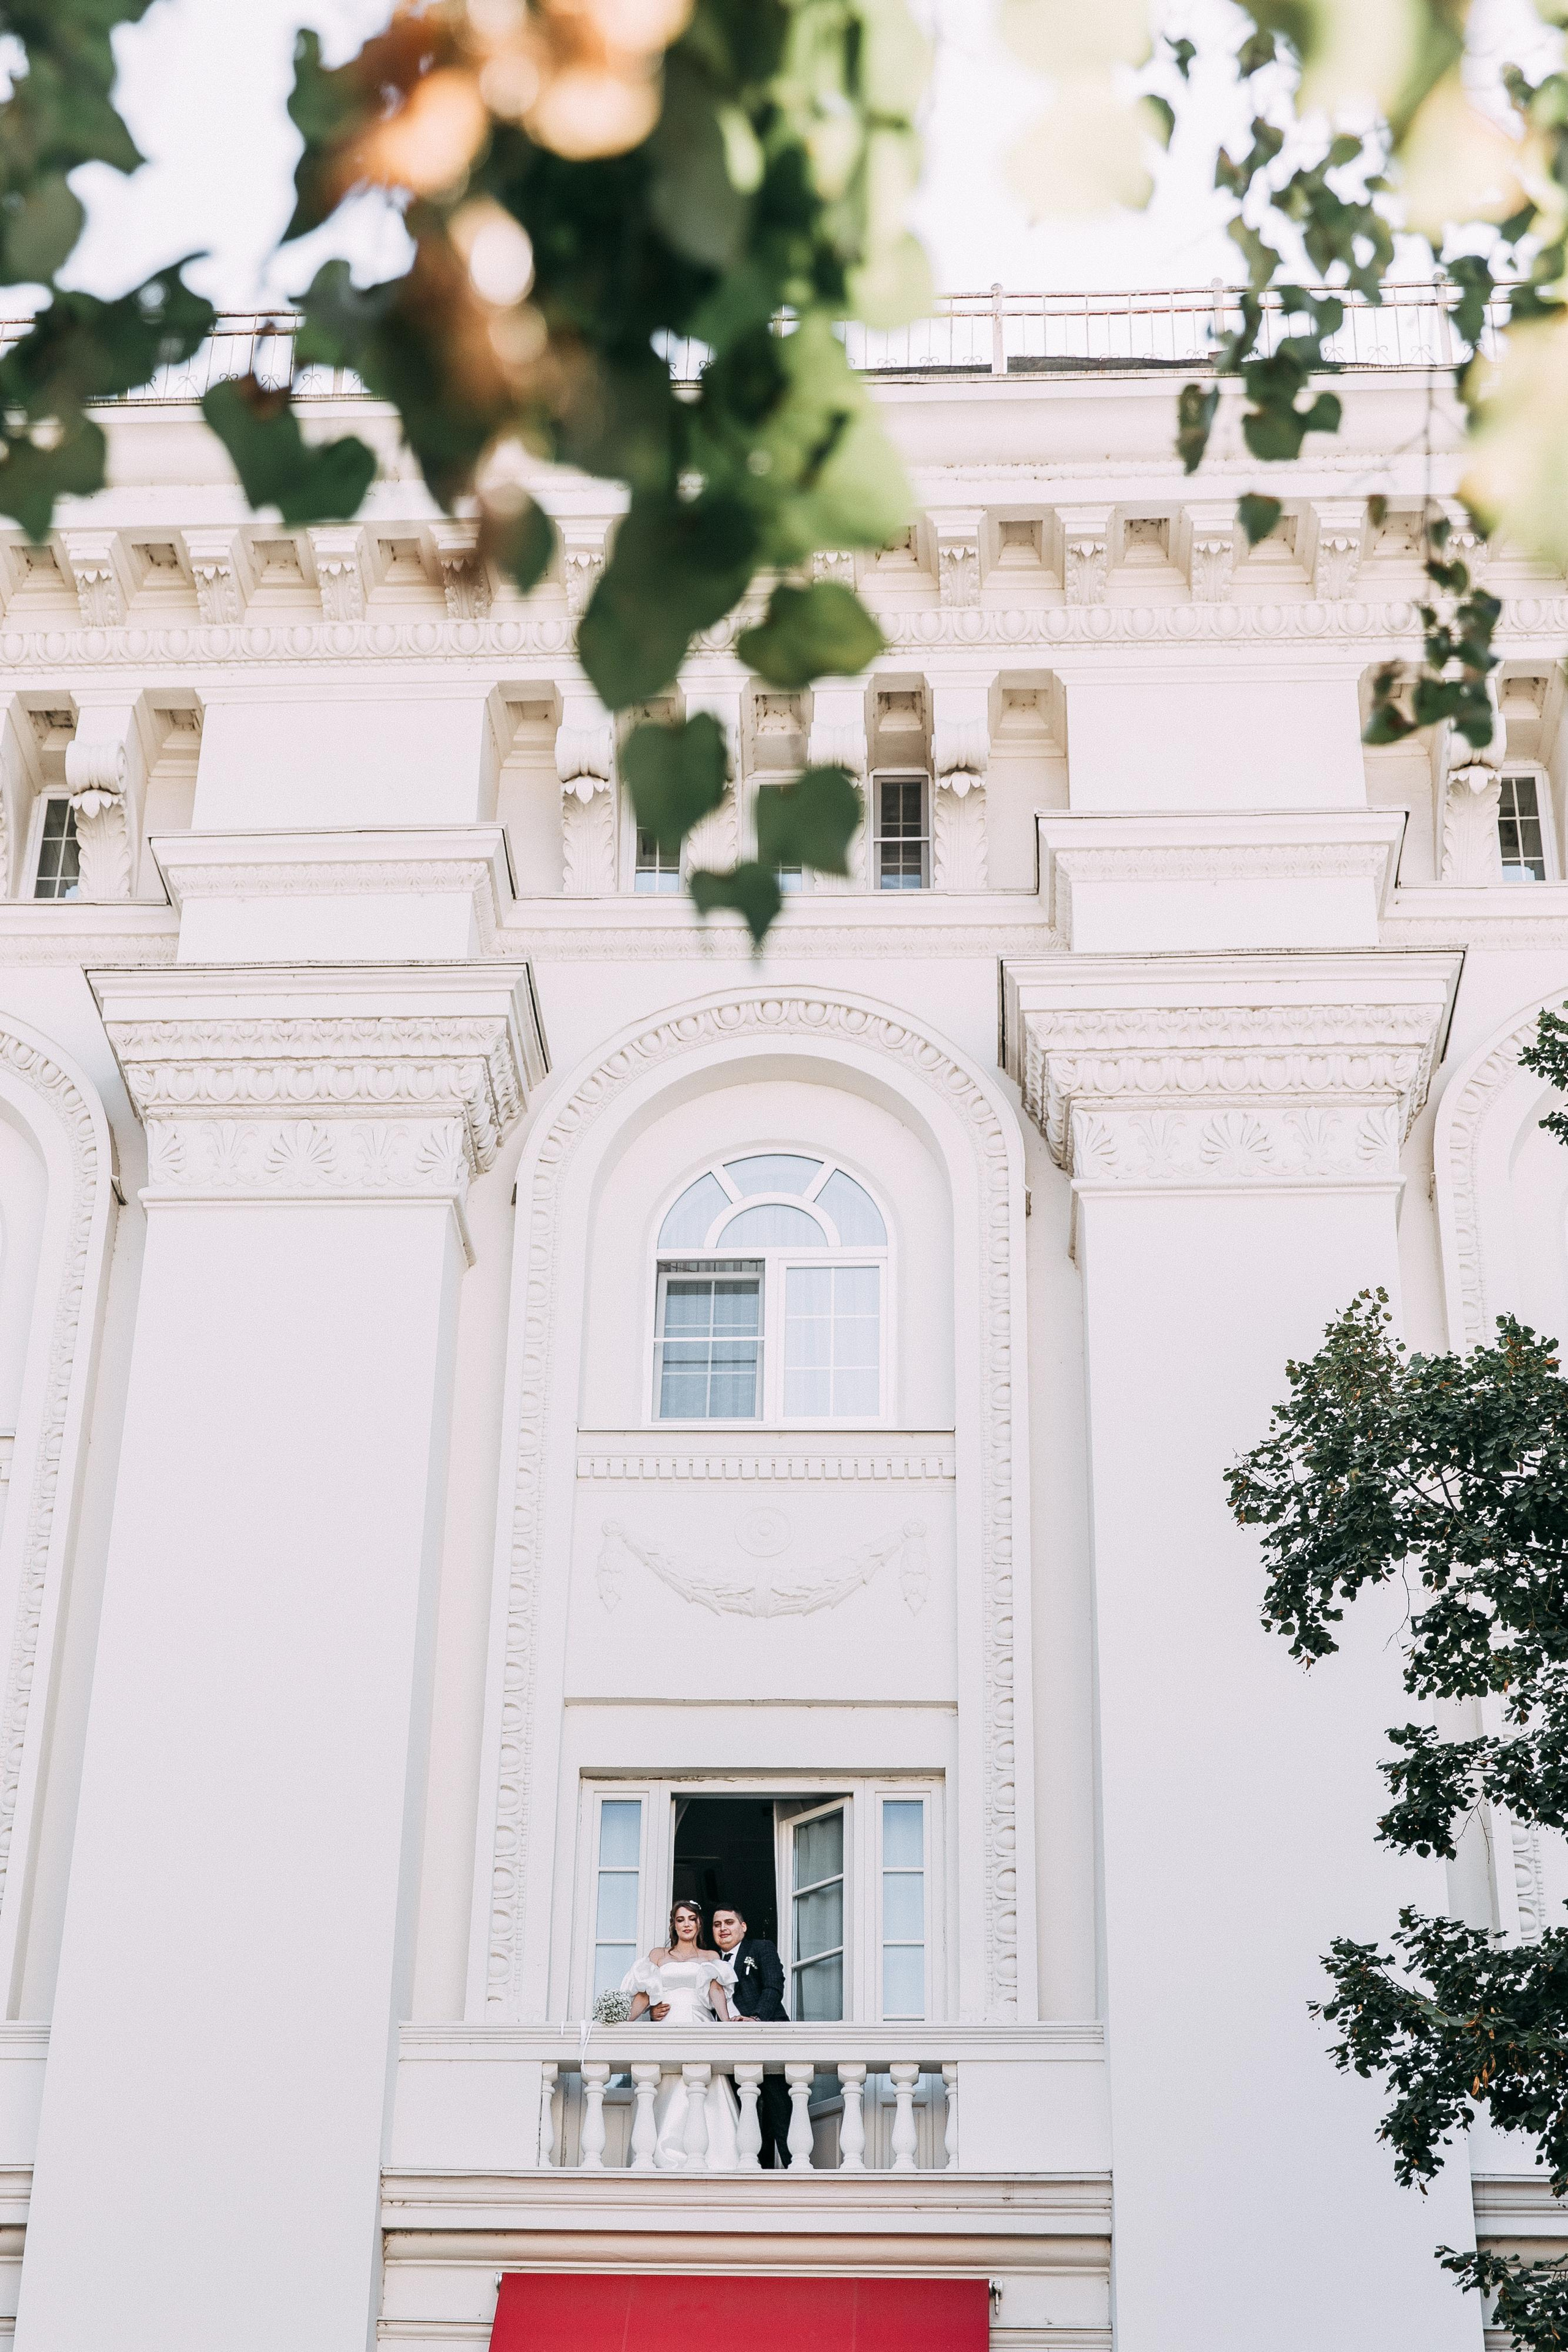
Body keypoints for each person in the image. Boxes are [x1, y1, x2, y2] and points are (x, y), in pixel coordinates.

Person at [621, 1900, 740, 2169]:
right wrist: (626, 2020)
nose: (686, 1924)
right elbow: (644, 1993)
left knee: (701, 2082)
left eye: (691, 1919)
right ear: (673, 1925)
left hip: (698, 2022)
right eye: (680, 1919)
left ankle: (715, 2157)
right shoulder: (658, 1955)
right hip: (668, 2024)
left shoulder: (710, 1956)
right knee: (667, 2085)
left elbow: (716, 1991)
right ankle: (662, 2158)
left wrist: (727, 2023)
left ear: (699, 1923)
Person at [710, 1901, 794, 2169]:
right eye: (717, 1924)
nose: (723, 1929)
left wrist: (757, 2019)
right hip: (726, 2049)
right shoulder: (709, 1961)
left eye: (729, 1922)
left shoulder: (760, 1948)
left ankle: (795, 2169)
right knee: (739, 2111)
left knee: (778, 2109)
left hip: (765, 2038)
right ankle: (749, 2170)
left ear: (743, 1927)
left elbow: (774, 1985)